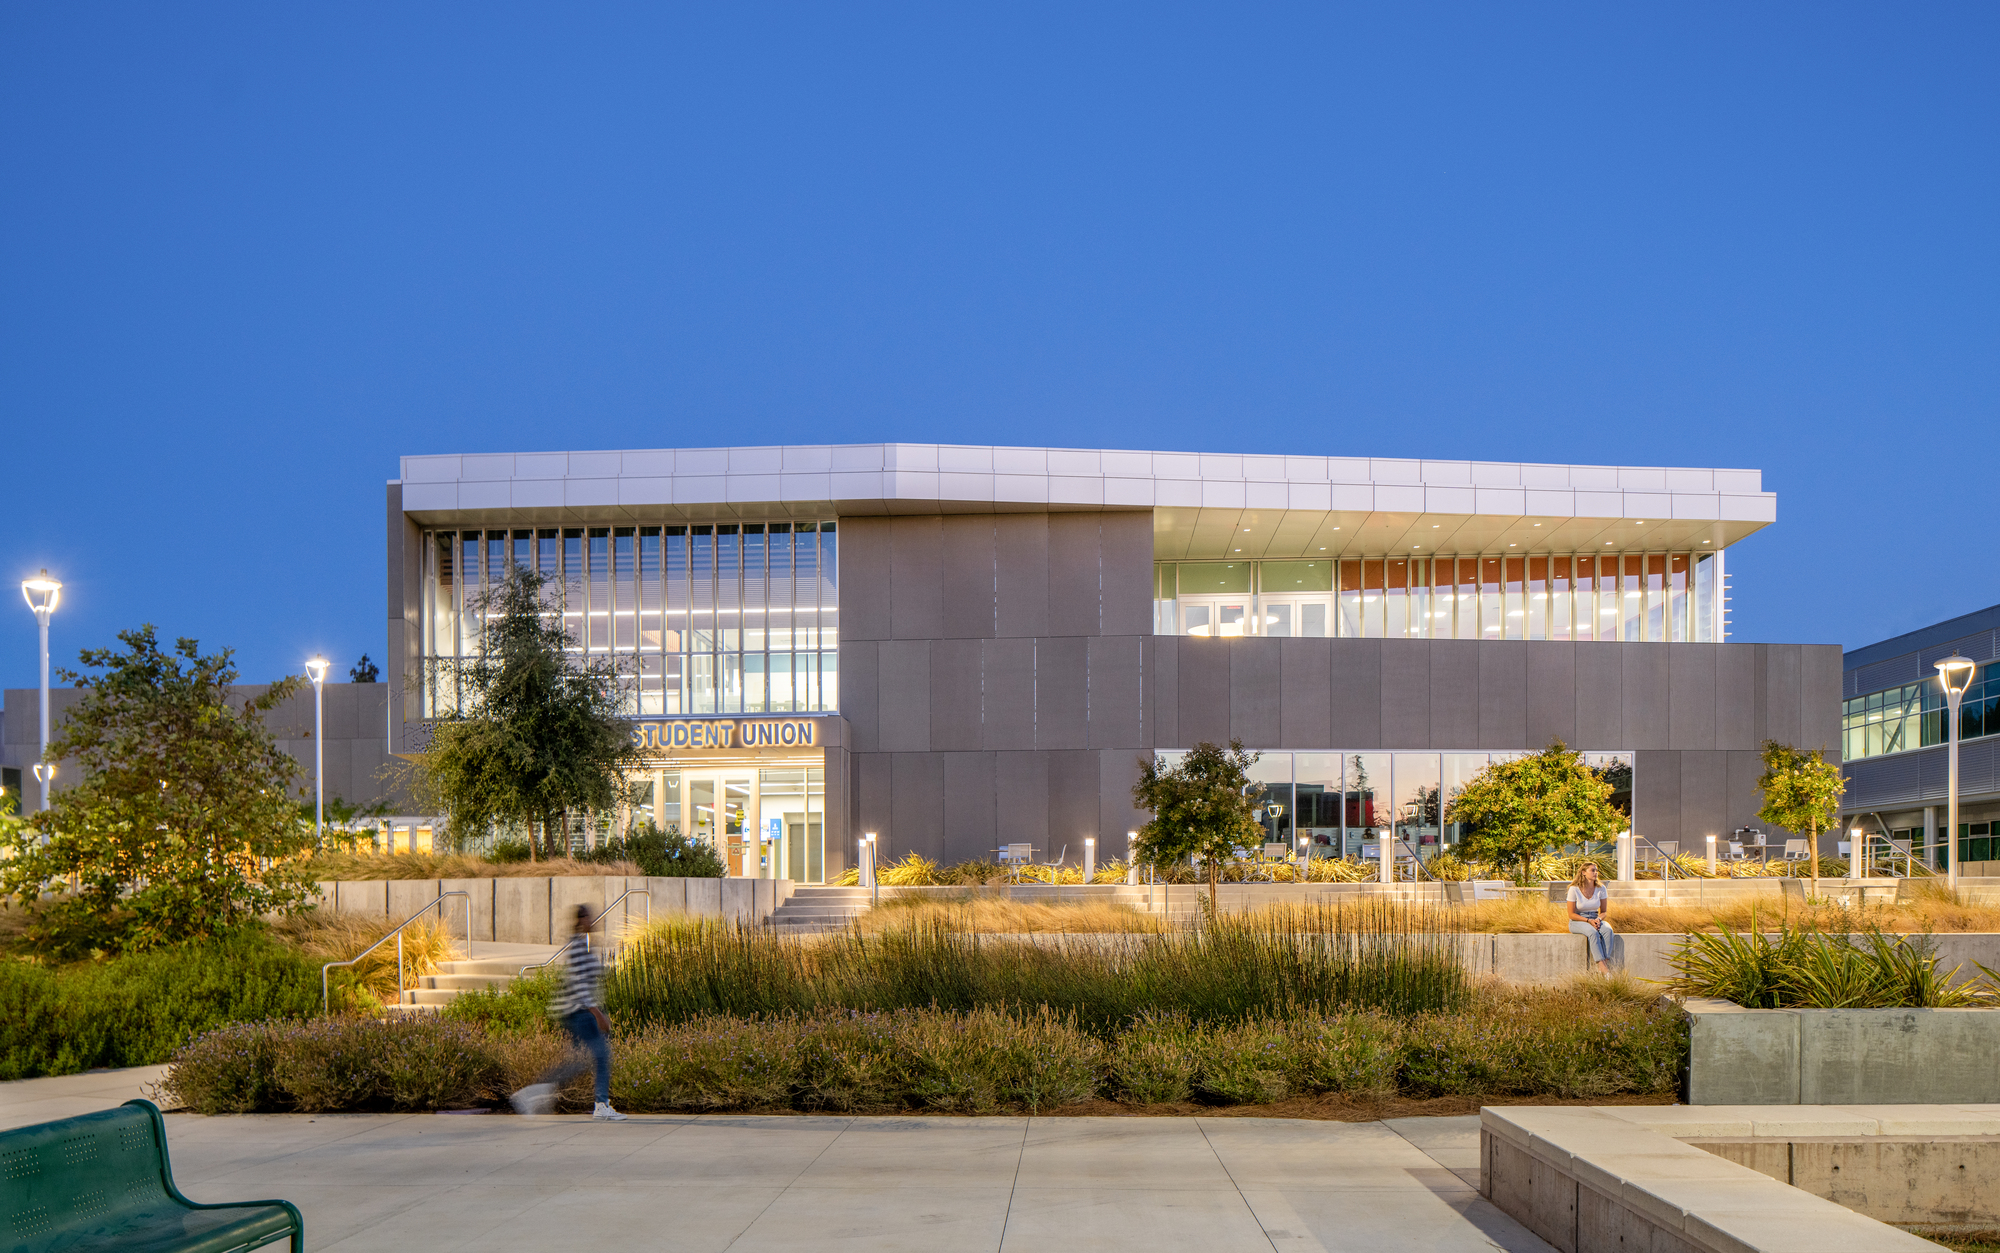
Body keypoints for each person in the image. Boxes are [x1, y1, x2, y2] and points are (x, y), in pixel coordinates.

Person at [511, 904, 627, 1120]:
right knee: (601, 1055)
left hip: (578, 1011)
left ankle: (532, 1093)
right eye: (589, 918)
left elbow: (589, 975)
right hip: (580, 1012)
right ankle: (601, 1105)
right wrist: (596, 1012)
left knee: (577, 1063)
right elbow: (578, 982)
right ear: (581, 919)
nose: (593, 922)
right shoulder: (576, 947)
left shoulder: (583, 945)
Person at [1567, 862, 1615, 975]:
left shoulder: (1601, 888)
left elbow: (1604, 912)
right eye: (1592, 870)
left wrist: (1598, 919)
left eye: (1596, 870)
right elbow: (1571, 914)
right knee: (1593, 933)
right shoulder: (1574, 889)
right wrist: (1588, 921)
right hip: (1578, 920)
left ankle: (1604, 963)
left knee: (1608, 930)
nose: (1596, 873)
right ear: (1584, 873)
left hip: (1595, 918)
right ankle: (1603, 967)